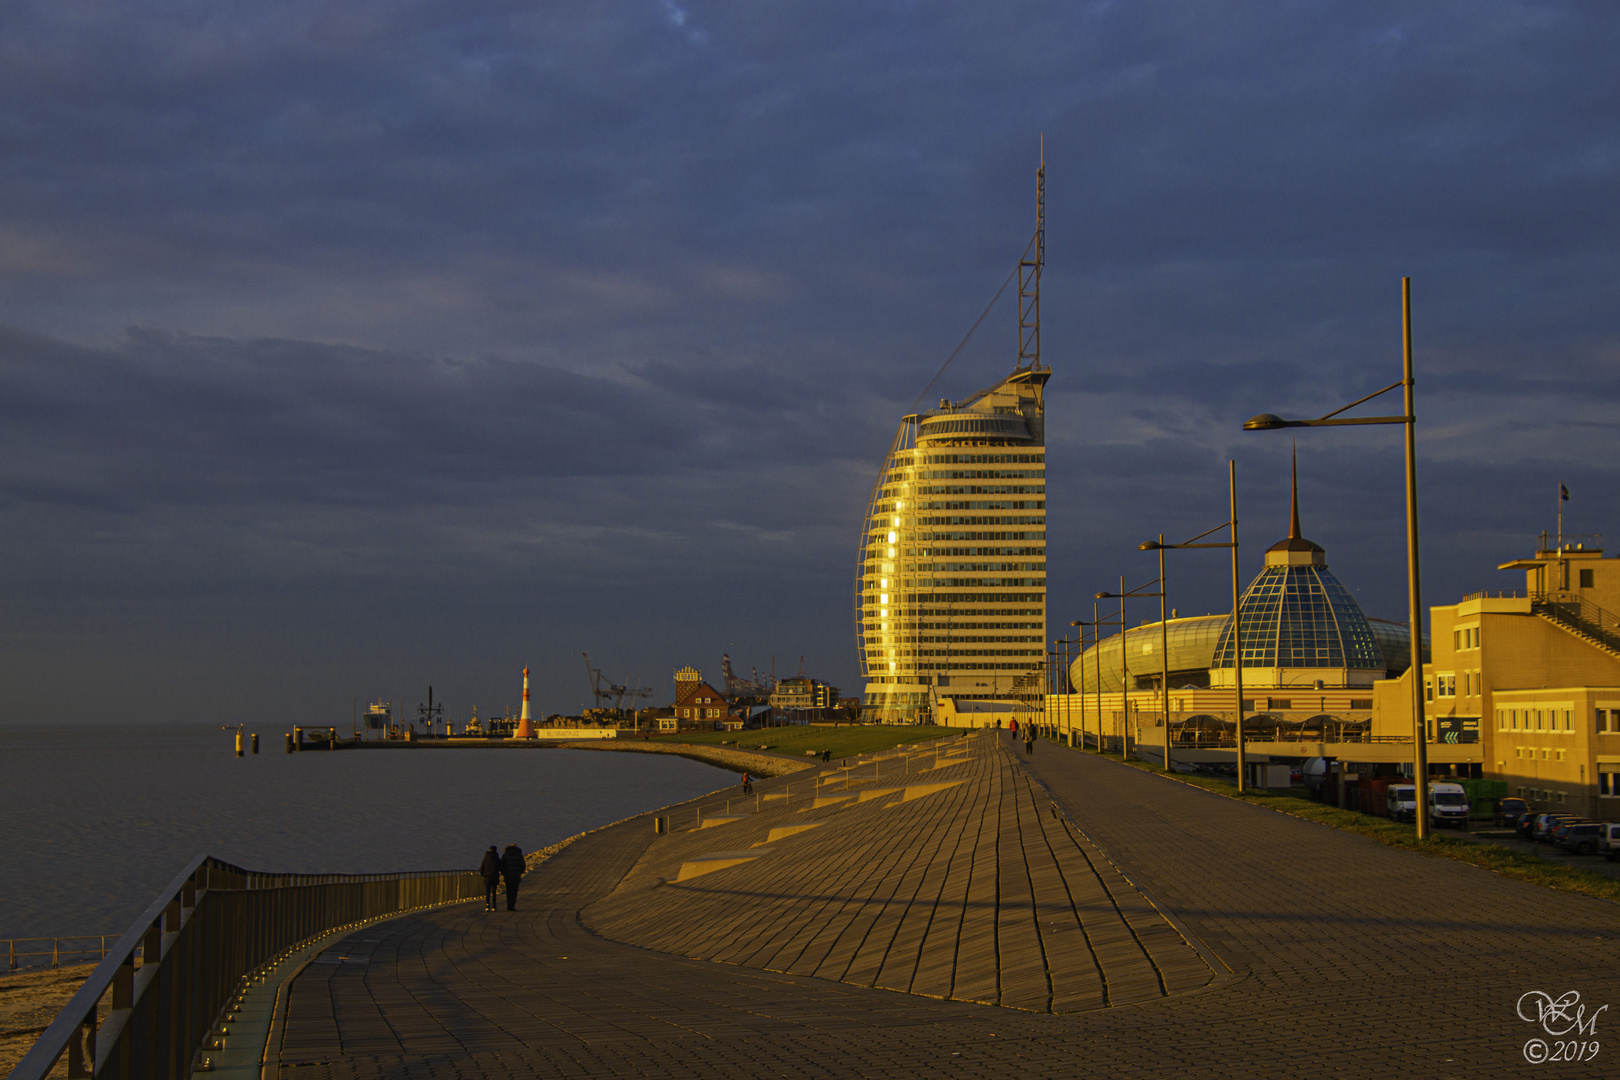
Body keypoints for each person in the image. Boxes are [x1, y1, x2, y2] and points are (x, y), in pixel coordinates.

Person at [501, 843, 525, 911]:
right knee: (514, 891)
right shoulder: (519, 855)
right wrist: (520, 872)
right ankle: (512, 905)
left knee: (508, 891)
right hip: (516, 876)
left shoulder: (505, 855)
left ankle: (509, 905)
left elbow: (502, 865)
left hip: (508, 876)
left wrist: (504, 873)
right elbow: (522, 865)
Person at [478, 845, 502, 911]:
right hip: (494, 877)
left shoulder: (485, 858)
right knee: (494, 892)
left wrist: (483, 874)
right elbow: (501, 868)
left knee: (487, 892)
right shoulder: (497, 858)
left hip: (487, 877)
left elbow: (481, 868)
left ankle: (487, 905)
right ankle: (494, 906)